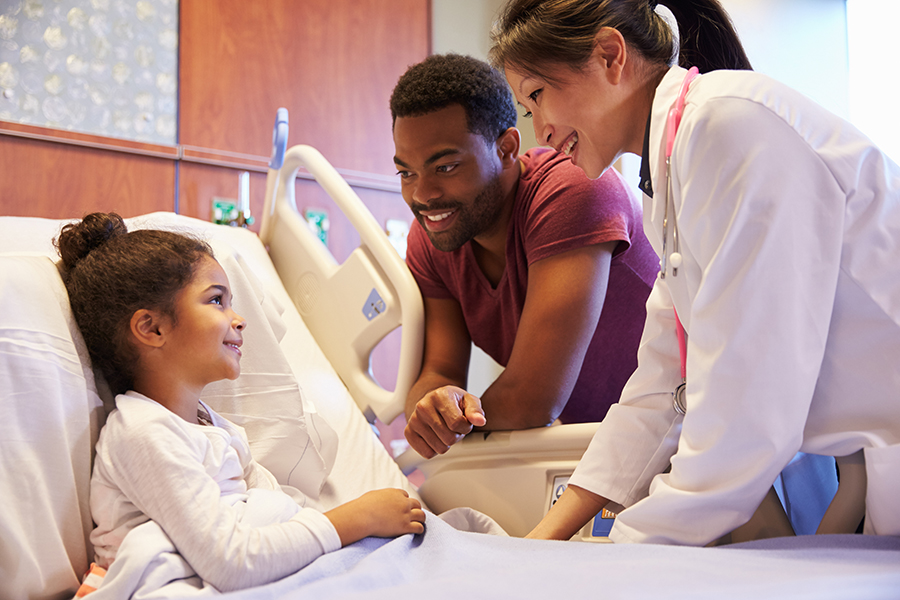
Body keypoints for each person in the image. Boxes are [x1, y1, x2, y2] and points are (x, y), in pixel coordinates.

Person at [489, 0, 900, 546]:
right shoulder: (672, 177)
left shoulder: (729, 125)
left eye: (538, 95)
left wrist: (626, 548)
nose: (541, 131)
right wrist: (544, 539)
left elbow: (749, 413)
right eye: (525, 109)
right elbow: (663, 384)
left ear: (610, 56)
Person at [56, 213, 426, 593]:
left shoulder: (215, 427)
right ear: (152, 329)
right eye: (217, 300)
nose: (240, 319)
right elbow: (230, 562)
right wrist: (355, 520)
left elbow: (279, 517)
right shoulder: (142, 433)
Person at [390, 54, 659, 459]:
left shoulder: (573, 191)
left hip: (689, 429)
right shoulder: (432, 239)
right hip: (607, 448)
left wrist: (457, 424)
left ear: (507, 148)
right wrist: (434, 408)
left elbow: (532, 399)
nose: (422, 195)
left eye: (445, 167)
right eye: (406, 173)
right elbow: (440, 371)